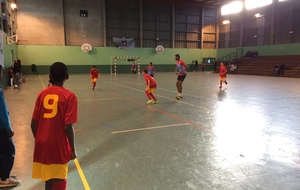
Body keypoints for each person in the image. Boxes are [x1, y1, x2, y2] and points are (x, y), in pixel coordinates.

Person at [31, 62, 77, 190]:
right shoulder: (69, 96)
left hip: (42, 143)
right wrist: (73, 149)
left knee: (48, 177)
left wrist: (40, 140)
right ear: (67, 76)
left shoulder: (42, 94)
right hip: (58, 144)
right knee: (60, 177)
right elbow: (68, 126)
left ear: (50, 76)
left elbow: (33, 123)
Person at [0, 65, 21, 188]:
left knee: (1, 151)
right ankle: (4, 177)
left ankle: (2, 175)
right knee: (9, 150)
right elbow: (2, 112)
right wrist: (8, 128)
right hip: (2, 129)